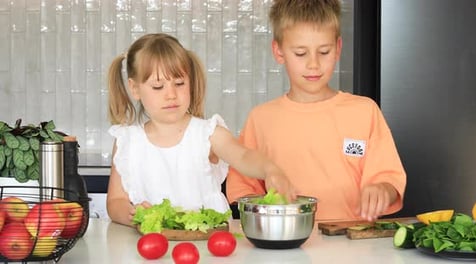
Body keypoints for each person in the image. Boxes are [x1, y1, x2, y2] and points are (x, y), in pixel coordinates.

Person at [227, 0, 406, 221]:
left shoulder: (364, 111)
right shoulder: (261, 118)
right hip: (286, 246)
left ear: (338, 48)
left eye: (324, 51)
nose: (314, 64)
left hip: (353, 247)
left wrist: (382, 190)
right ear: (279, 51)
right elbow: (243, 190)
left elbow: (390, 181)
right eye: (301, 53)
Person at [105, 33, 296, 227]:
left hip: (209, 247)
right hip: (152, 248)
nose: (171, 95)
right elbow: (115, 202)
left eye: (179, 84)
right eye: (158, 86)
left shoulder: (209, 134)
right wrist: (131, 214)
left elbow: (244, 157)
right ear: (135, 88)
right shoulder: (127, 142)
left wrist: (271, 170)